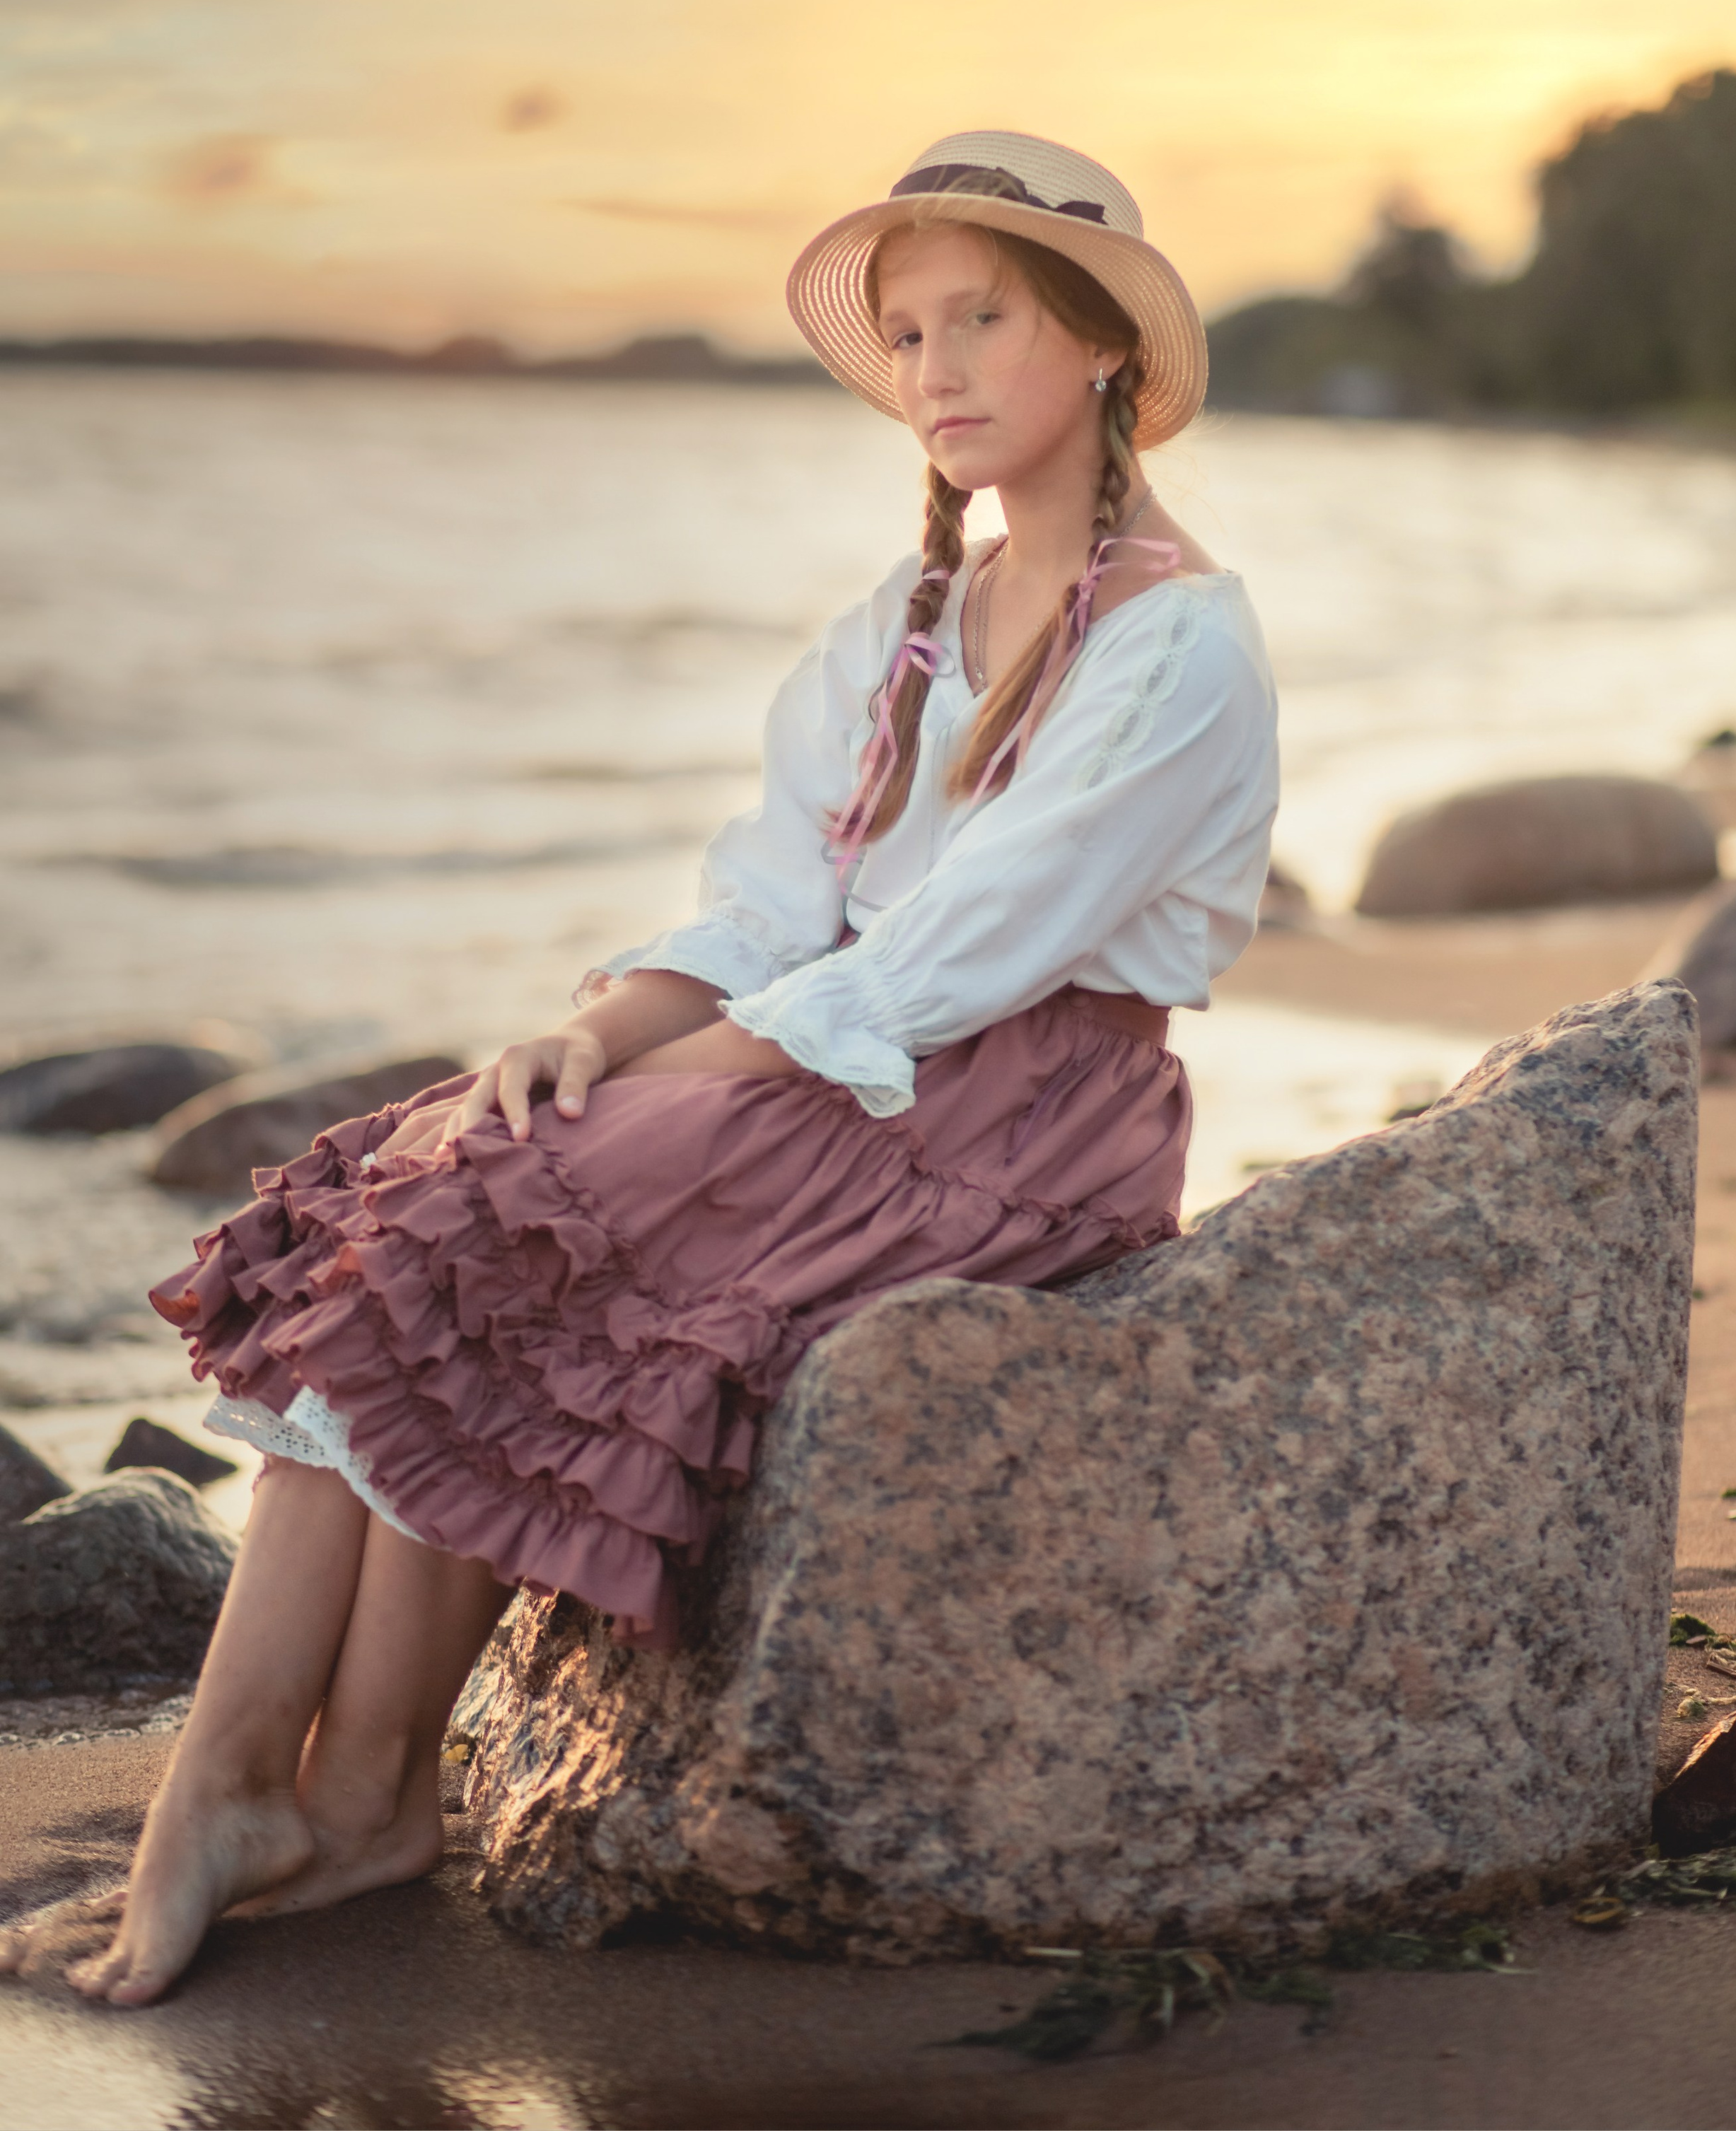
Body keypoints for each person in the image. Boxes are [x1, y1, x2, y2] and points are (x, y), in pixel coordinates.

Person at [3, 129, 1278, 2007]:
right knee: (418, 1169)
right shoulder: (900, 628)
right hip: (842, 1054)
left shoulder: (1181, 643)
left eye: (981, 318)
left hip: (1005, 1112)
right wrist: (585, 1041)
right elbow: (772, 905)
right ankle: (319, 1788)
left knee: (492, 1204)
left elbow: (955, 955)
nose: (932, 368)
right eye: (908, 332)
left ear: (1101, 346)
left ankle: (272, 1800)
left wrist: (669, 1096)